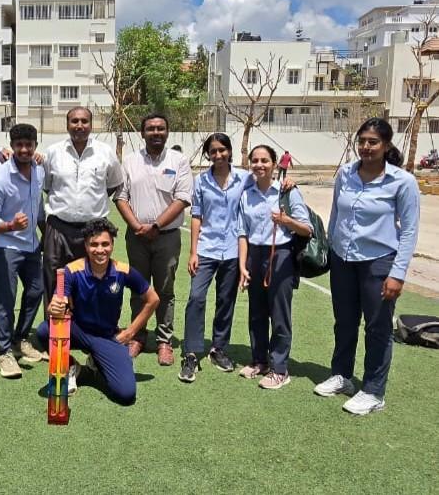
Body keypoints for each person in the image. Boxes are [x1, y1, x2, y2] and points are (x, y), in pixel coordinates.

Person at [314, 118, 420, 415]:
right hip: (343, 260)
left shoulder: (402, 181)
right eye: (362, 141)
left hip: (379, 262)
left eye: (372, 142)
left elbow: (410, 231)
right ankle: (342, 375)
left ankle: (374, 390)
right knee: (344, 321)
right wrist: (330, 249)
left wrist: (397, 273)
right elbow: (336, 214)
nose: (366, 147)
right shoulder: (346, 173)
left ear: (386, 146)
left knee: (378, 328)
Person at [37, 219, 159, 405]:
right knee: (45, 330)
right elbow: (57, 301)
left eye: (105, 244)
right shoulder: (72, 270)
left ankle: (97, 362)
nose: (100, 250)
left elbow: (153, 299)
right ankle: (72, 367)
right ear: (86, 246)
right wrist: (53, 307)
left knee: (126, 395)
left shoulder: (123, 270)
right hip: (79, 330)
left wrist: (130, 332)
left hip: (107, 336)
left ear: (112, 245)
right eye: (94, 244)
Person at [115, 114, 192, 366]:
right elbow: (121, 197)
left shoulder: (178, 160)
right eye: (150, 129)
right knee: (138, 288)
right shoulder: (130, 161)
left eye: (160, 128)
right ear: (142, 132)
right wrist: (138, 226)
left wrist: (157, 225)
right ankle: (137, 336)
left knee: (165, 290)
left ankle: (164, 341)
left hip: (167, 237)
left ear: (168, 132)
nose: (156, 132)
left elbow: (182, 199)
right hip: (136, 237)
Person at [237, 144, 312, 390]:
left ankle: (280, 368)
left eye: (264, 160)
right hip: (254, 254)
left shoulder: (287, 192)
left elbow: (307, 228)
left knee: (279, 313)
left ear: (274, 163)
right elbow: (243, 232)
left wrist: (286, 220)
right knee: (256, 311)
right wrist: (242, 265)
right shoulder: (246, 194)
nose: (259, 165)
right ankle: (260, 360)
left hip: (280, 254)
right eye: (255, 161)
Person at [179, 133, 247, 382]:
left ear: (230, 151)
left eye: (222, 150)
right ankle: (191, 352)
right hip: (206, 248)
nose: (218, 155)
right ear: (208, 154)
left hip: (232, 248)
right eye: (213, 151)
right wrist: (193, 251)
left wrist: (287, 183)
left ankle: (219, 348)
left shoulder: (245, 179)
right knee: (196, 297)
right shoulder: (201, 181)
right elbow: (196, 215)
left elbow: (265, 189)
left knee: (225, 299)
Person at [42, 107, 123, 306]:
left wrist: (90, 206)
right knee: (55, 280)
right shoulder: (53, 152)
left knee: (91, 279)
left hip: (94, 230)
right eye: (75, 121)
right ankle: (56, 333)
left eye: (84, 121)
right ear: (67, 125)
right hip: (59, 227)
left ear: (91, 124)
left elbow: (113, 185)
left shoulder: (105, 153)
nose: (79, 126)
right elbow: (47, 186)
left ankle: (87, 331)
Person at [0, 123, 46, 378]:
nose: (23, 149)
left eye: (28, 145)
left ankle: (21, 339)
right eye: (18, 144)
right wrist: (10, 225)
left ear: (34, 146)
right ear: (12, 145)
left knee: (36, 290)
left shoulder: (39, 171)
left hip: (31, 244)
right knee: (6, 298)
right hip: (6, 245)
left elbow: (38, 205)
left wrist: (45, 231)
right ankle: (4, 351)